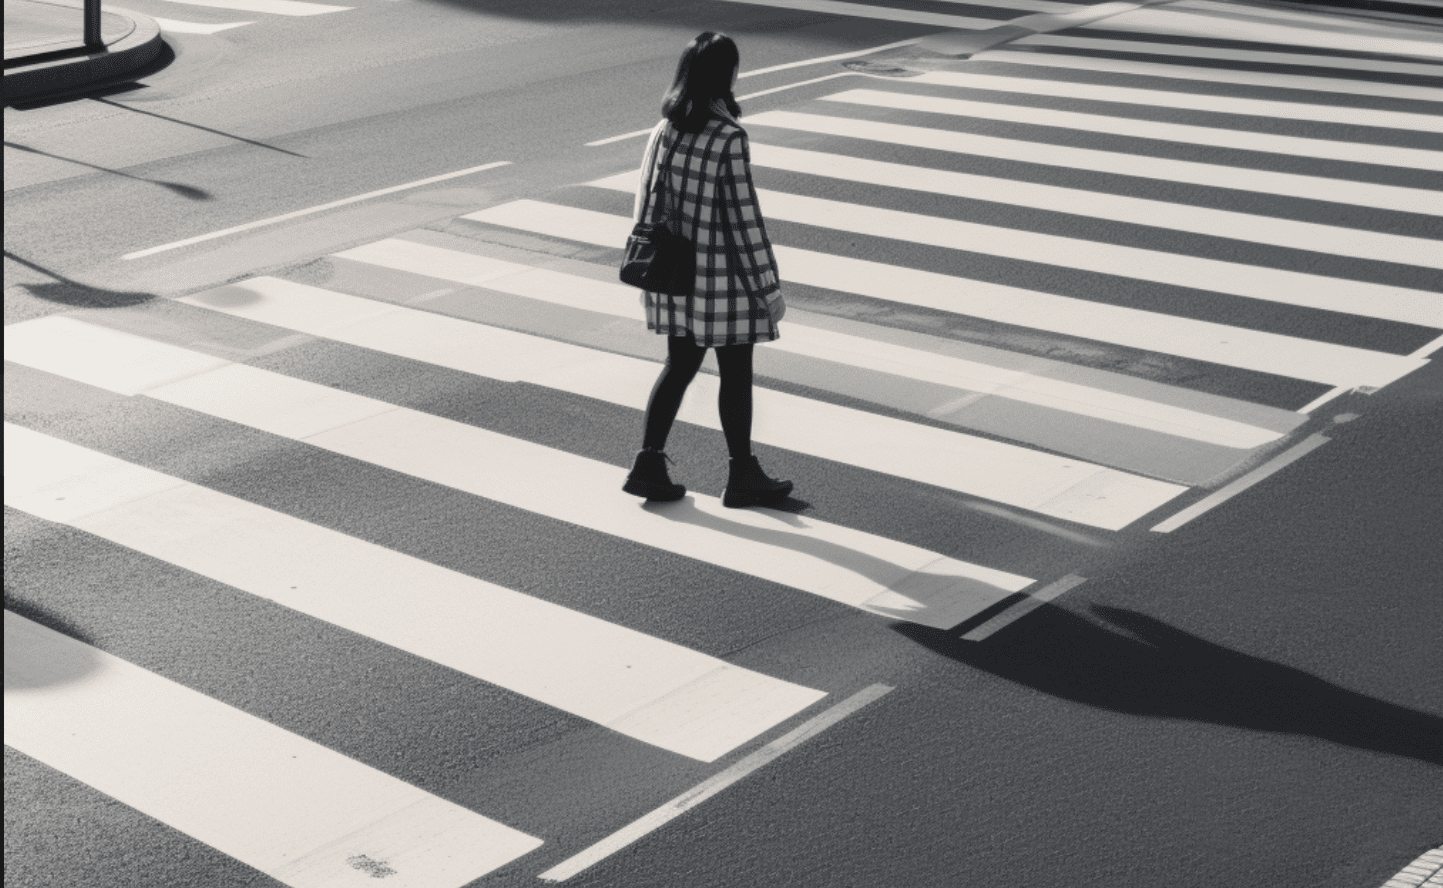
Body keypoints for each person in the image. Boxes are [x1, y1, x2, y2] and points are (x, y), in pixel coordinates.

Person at [621, 31, 793, 509]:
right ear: (727, 76)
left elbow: (645, 201)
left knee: (680, 366)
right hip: (721, 281)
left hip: (673, 276)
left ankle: (649, 461)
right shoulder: (728, 138)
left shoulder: (665, 130)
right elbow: (744, 220)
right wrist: (768, 287)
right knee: (736, 372)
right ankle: (742, 475)